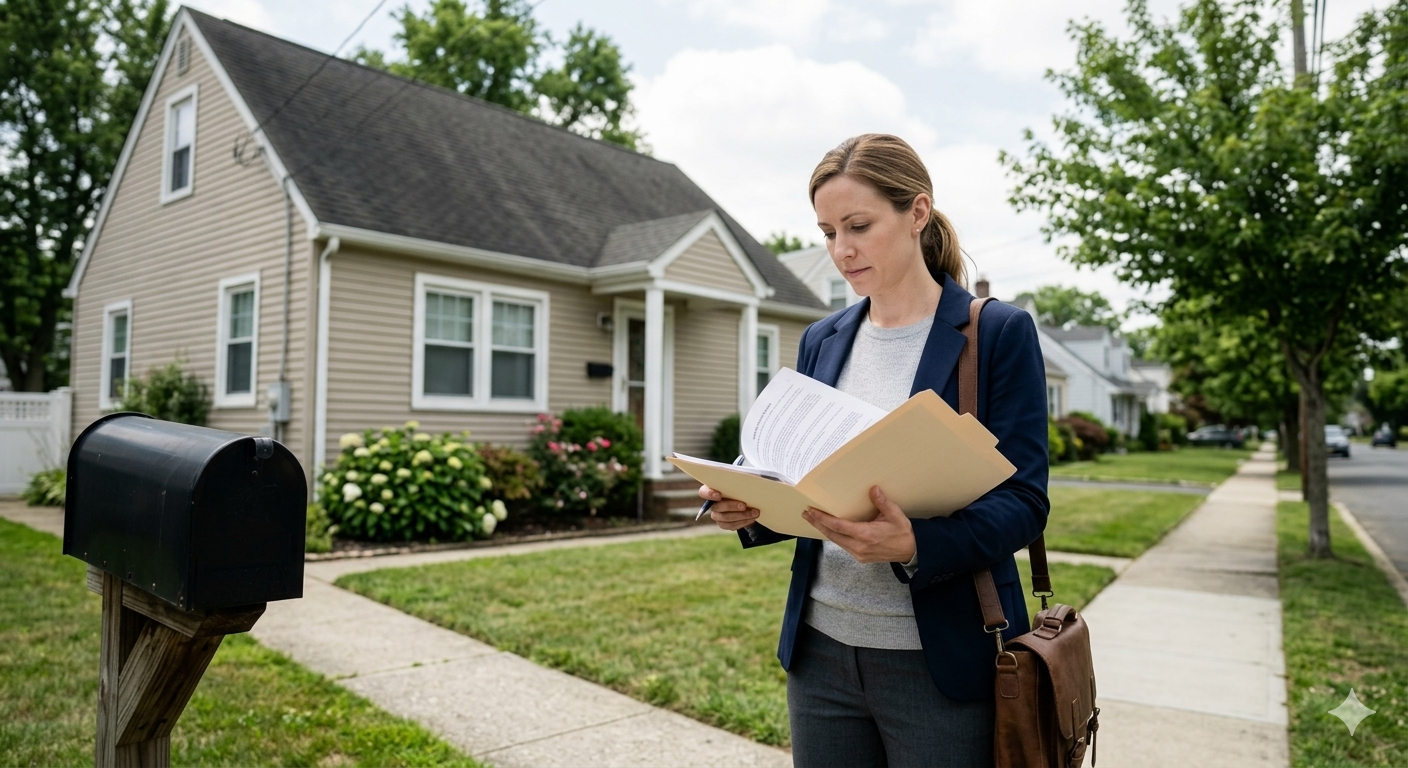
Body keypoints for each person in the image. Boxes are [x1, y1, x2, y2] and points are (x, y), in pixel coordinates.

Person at [699, 134, 1049, 768]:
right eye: (828, 232)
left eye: (858, 226)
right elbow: (809, 478)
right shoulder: (822, 338)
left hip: (941, 661)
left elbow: (1025, 502)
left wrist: (916, 544)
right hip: (820, 654)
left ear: (917, 212)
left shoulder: (996, 332)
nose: (842, 250)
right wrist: (750, 506)